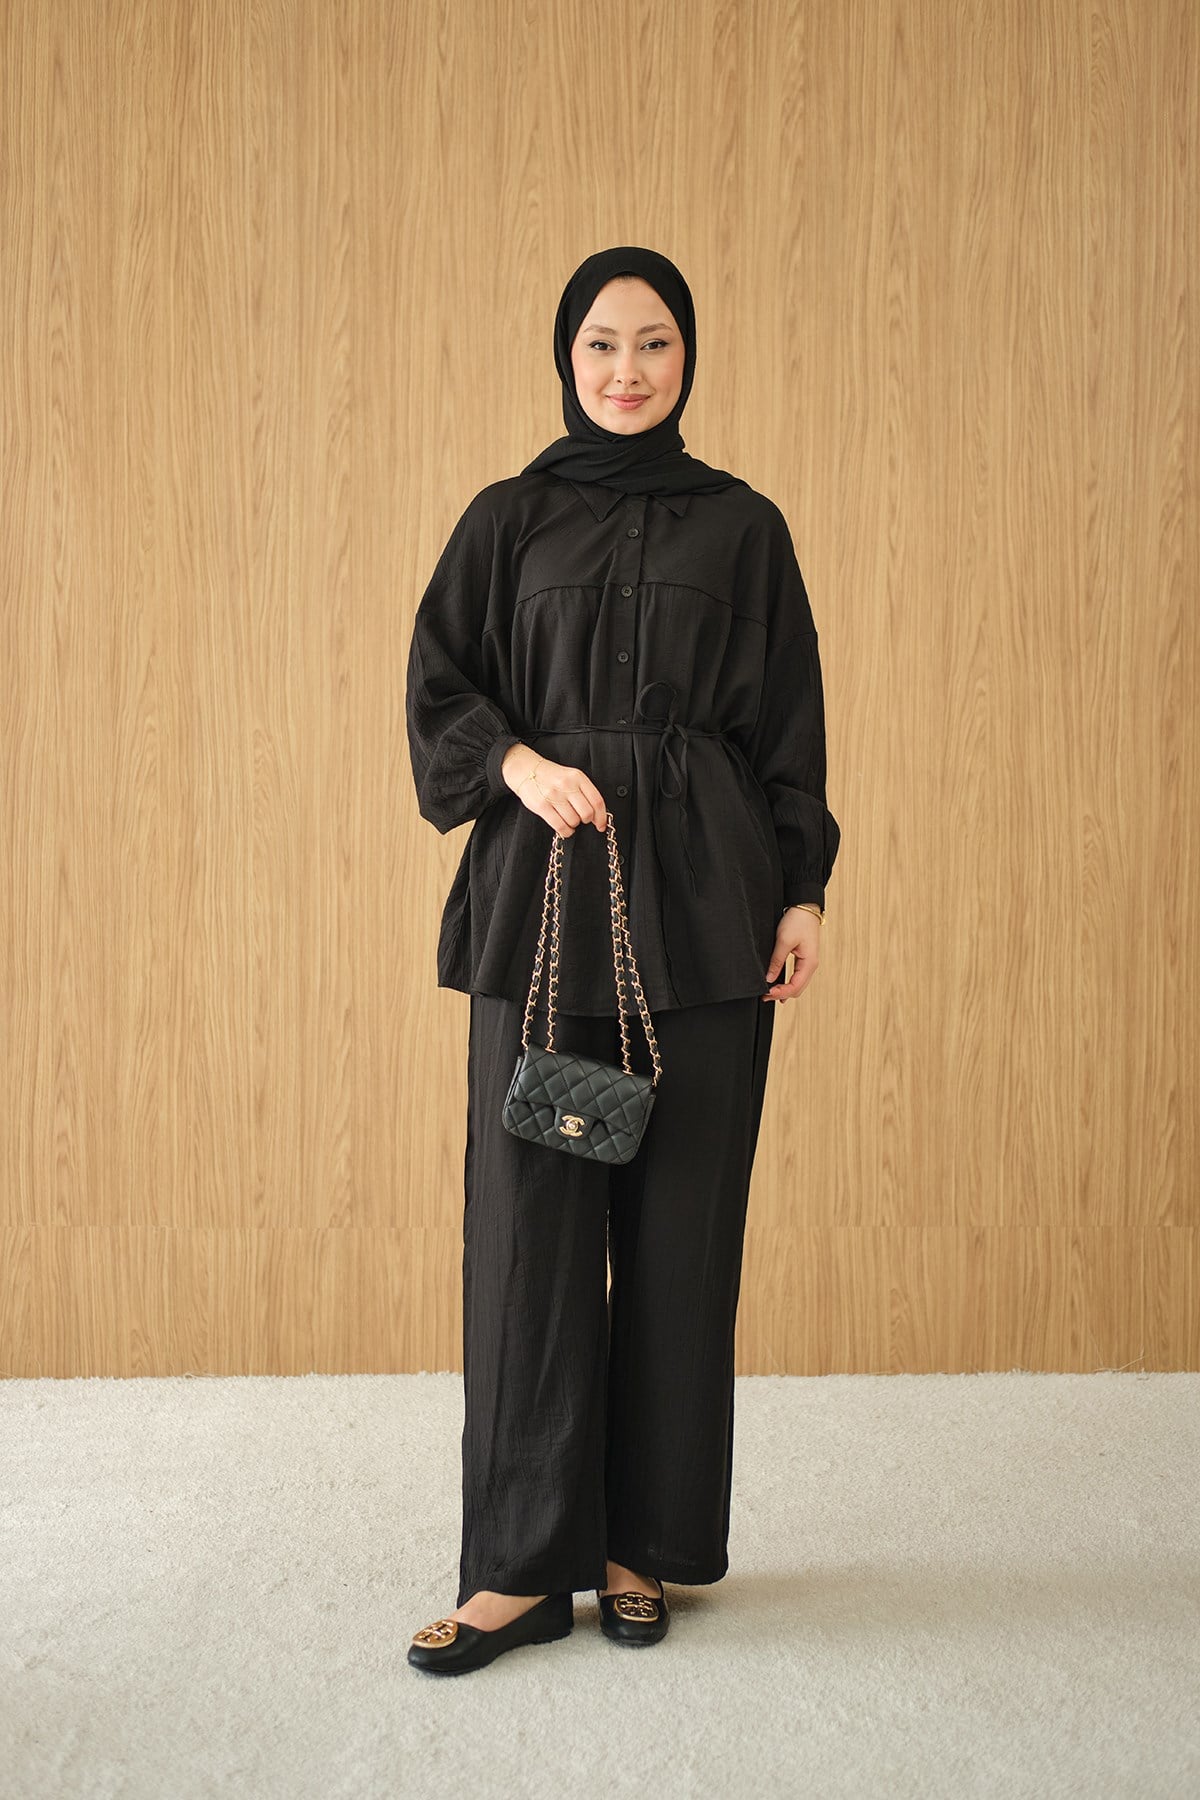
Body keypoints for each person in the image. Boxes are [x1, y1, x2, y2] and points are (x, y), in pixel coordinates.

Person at [405, 245, 840, 1674]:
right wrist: (518, 764)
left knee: (680, 1235)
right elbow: (439, 685)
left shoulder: (745, 527)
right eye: (601, 343)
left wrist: (802, 891)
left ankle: (637, 1545)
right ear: (565, 358)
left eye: (653, 343)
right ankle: (517, 1571)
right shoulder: (507, 518)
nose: (627, 370)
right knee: (527, 1238)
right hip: (544, 897)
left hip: (706, 903)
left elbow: (786, 721)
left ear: (687, 358)